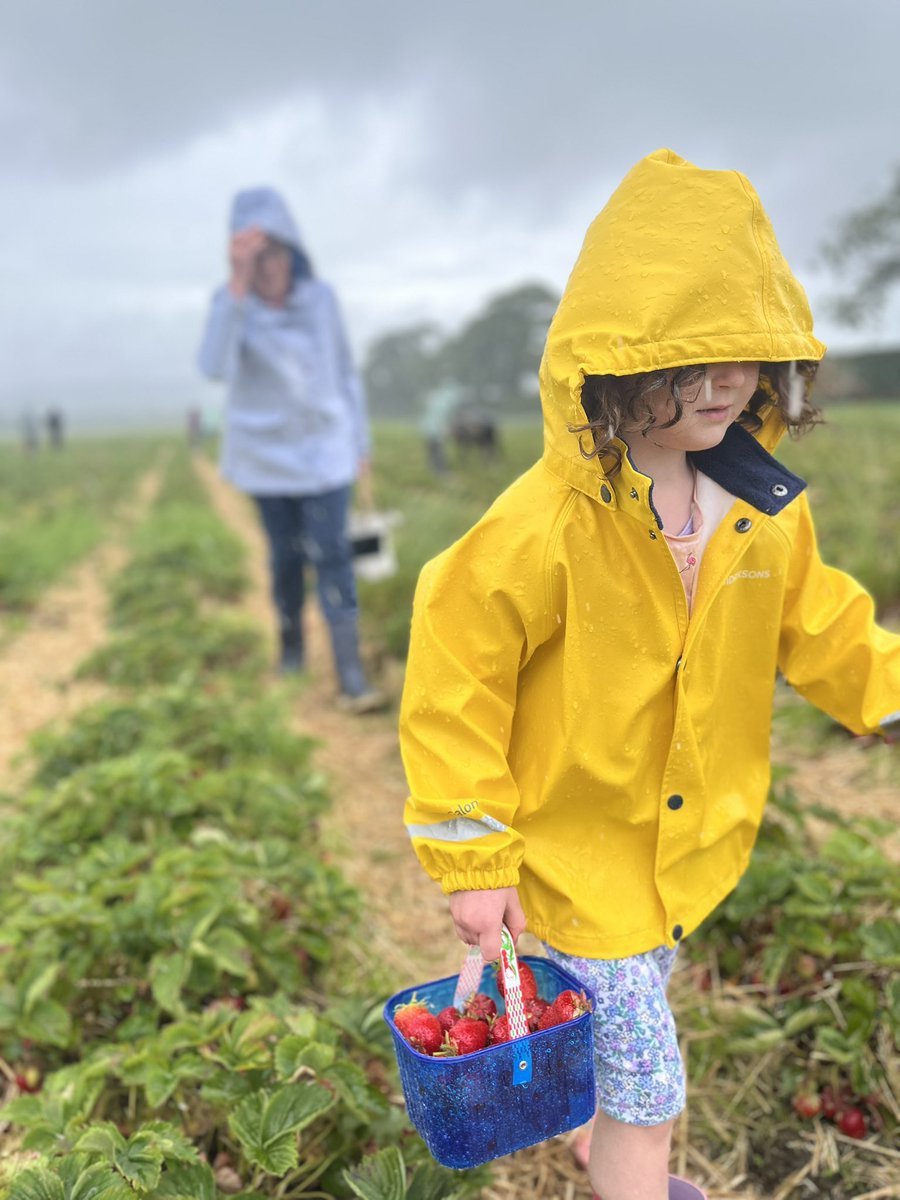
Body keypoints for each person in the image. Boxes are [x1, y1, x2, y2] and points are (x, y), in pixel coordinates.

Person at [398, 149, 900, 1200]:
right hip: (578, 857)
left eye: (747, 356)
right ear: (614, 362)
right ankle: (628, 1173)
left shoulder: (760, 502)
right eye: (693, 362)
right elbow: (457, 675)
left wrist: (886, 692)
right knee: (652, 1090)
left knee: (632, 1013)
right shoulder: (547, 526)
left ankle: (592, 1125)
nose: (727, 384)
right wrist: (473, 855)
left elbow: (822, 624)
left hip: (680, 847)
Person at [198, 186, 386, 713]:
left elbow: (346, 372)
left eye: (275, 253)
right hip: (265, 458)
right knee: (284, 558)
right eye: (255, 258)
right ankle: (292, 651)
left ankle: (350, 673)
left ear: (294, 251)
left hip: (326, 450)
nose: (268, 267)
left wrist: (360, 441)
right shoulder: (230, 305)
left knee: (332, 555)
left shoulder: (321, 300)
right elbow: (213, 366)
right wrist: (235, 285)